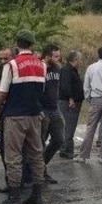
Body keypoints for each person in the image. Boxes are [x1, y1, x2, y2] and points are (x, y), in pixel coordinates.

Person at [0, 31, 46, 204]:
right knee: (36, 154)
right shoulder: (41, 64)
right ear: (32, 44)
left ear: (18, 44)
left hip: (15, 115)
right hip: (35, 114)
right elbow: (42, 90)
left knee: (13, 156)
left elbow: (3, 93)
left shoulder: (12, 65)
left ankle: (14, 197)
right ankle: (37, 195)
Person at [39, 44, 64, 183]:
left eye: (58, 56)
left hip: (55, 108)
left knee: (59, 139)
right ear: (47, 56)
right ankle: (40, 172)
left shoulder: (58, 68)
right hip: (42, 109)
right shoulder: (40, 67)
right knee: (40, 142)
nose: (57, 59)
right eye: (54, 56)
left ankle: (41, 165)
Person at [58, 50, 84, 159]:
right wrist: (71, 98)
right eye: (80, 59)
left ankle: (68, 150)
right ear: (75, 59)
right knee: (69, 127)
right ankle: (66, 151)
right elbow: (65, 86)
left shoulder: (72, 70)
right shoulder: (67, 70)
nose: (81, 62)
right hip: (69, 103)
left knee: (70, 127)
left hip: (73, 102)